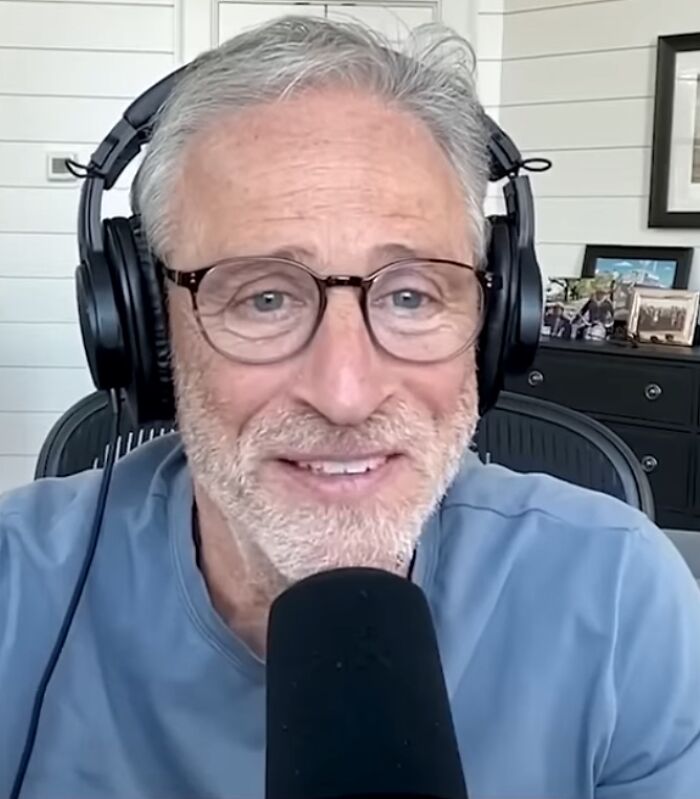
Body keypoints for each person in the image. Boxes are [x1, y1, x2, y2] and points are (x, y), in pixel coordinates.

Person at [1, 16, 699, 799]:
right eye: (264, 298)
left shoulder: (618, 594)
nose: (345, 393)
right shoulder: (15, 587)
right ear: (141, 328)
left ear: (499, 323)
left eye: (410, 294)